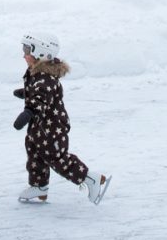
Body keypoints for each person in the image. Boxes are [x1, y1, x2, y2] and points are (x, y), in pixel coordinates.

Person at [13, 32, 110, 206]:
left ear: (41, 52)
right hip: (39, 126)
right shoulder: (36, 72)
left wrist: (28, 111)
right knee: (35, 154)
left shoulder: (46, 78)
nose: (24, 53)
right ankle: (39, 186)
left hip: (52, 128)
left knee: (57, 158)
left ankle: (92, 179)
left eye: (27, 49)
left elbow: (42, 97)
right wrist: (26, 93)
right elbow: (38, 92)